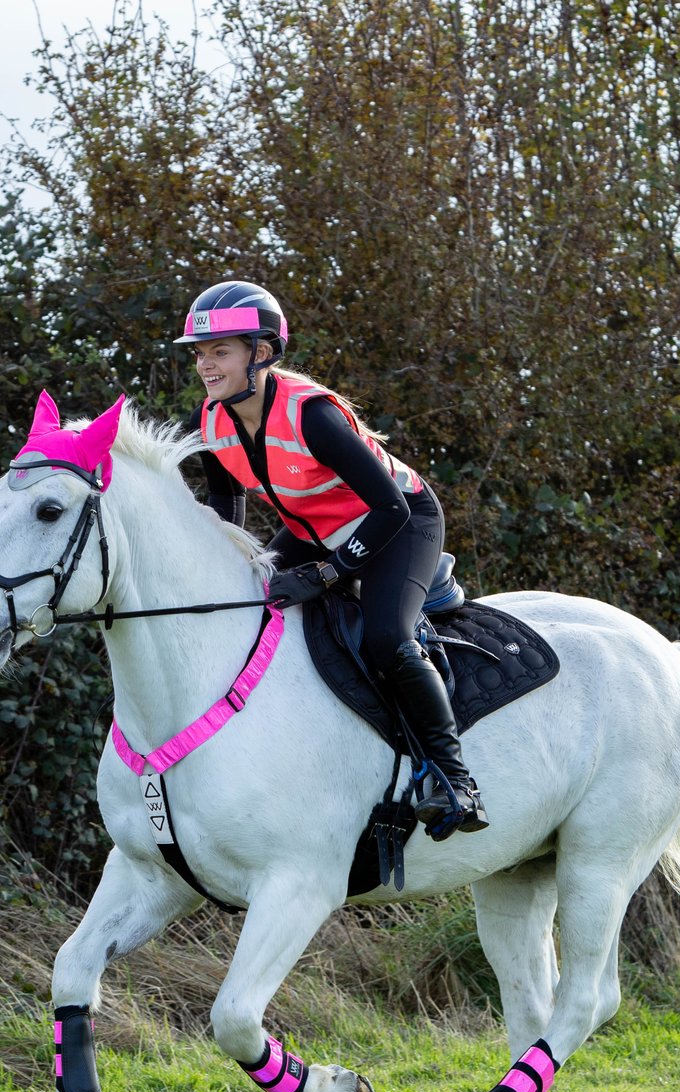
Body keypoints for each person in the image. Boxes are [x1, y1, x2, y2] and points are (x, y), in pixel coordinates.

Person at [177, 279, 487, 840]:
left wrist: (325, 575)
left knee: (386, 640)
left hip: (400, 523)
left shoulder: (312, 415)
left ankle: (456, 780)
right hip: (314, 527)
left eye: (220, 351)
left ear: (263, 353)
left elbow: (389, 508)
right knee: (252, 601)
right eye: (200, 354)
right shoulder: (214, 418)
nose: (205, 365)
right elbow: (228, 505)